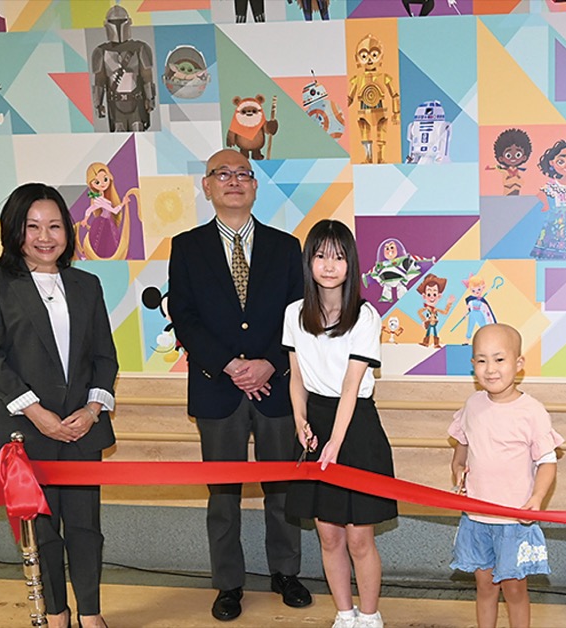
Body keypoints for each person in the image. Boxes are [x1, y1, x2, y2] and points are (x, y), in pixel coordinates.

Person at [0, 183, 118, 628]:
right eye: (32, 227)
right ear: (15, 230)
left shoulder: (87, 284)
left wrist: (92, 411)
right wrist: (38, 414)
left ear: (68, 231)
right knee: (40, 531)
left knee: (86, 527)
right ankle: (56, 612)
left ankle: (91, 614)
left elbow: (105, 357)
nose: (45, 237)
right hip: (25, 428)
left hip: (81, 427)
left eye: (54, 226)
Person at [168, 149, 310, 621]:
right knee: (223, 495)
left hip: (277, 387)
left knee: (283, 489)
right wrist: (229, 365)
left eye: (243, 174)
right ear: (207, 186)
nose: (233, 181)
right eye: (222, 174)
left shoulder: (285, 247)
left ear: (254, 185)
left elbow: (299, 314)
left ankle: (286, 573)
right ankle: (228, 583)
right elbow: (184, 316)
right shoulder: (187, 247)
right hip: (217, 387)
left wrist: (269, 363)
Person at [284, 219, 397, 628]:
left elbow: (352, 386)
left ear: (351, 263)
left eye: (338, 256)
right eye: (320, 255)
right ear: (309, 262)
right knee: (328, 534)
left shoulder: (365, 316)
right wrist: (300, 420)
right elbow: (296, 378)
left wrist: (335, 442)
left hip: (356, 427)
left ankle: (369, 616)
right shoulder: (294, 313)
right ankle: (344, 615)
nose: (329, 265)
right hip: (315, 422)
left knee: (359, 537)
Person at [449, 323, 563, 628]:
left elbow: (548, 462)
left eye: (499, 359)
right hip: (476, 519)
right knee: (485, 587)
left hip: (515, 521)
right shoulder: (472, 405)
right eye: (481, 360)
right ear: (473, 364)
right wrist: (458, 468)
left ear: (518, 363)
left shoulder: (532, 411)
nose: (490, 369)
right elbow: (462, 446)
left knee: (514, 590)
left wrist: (537, 497)